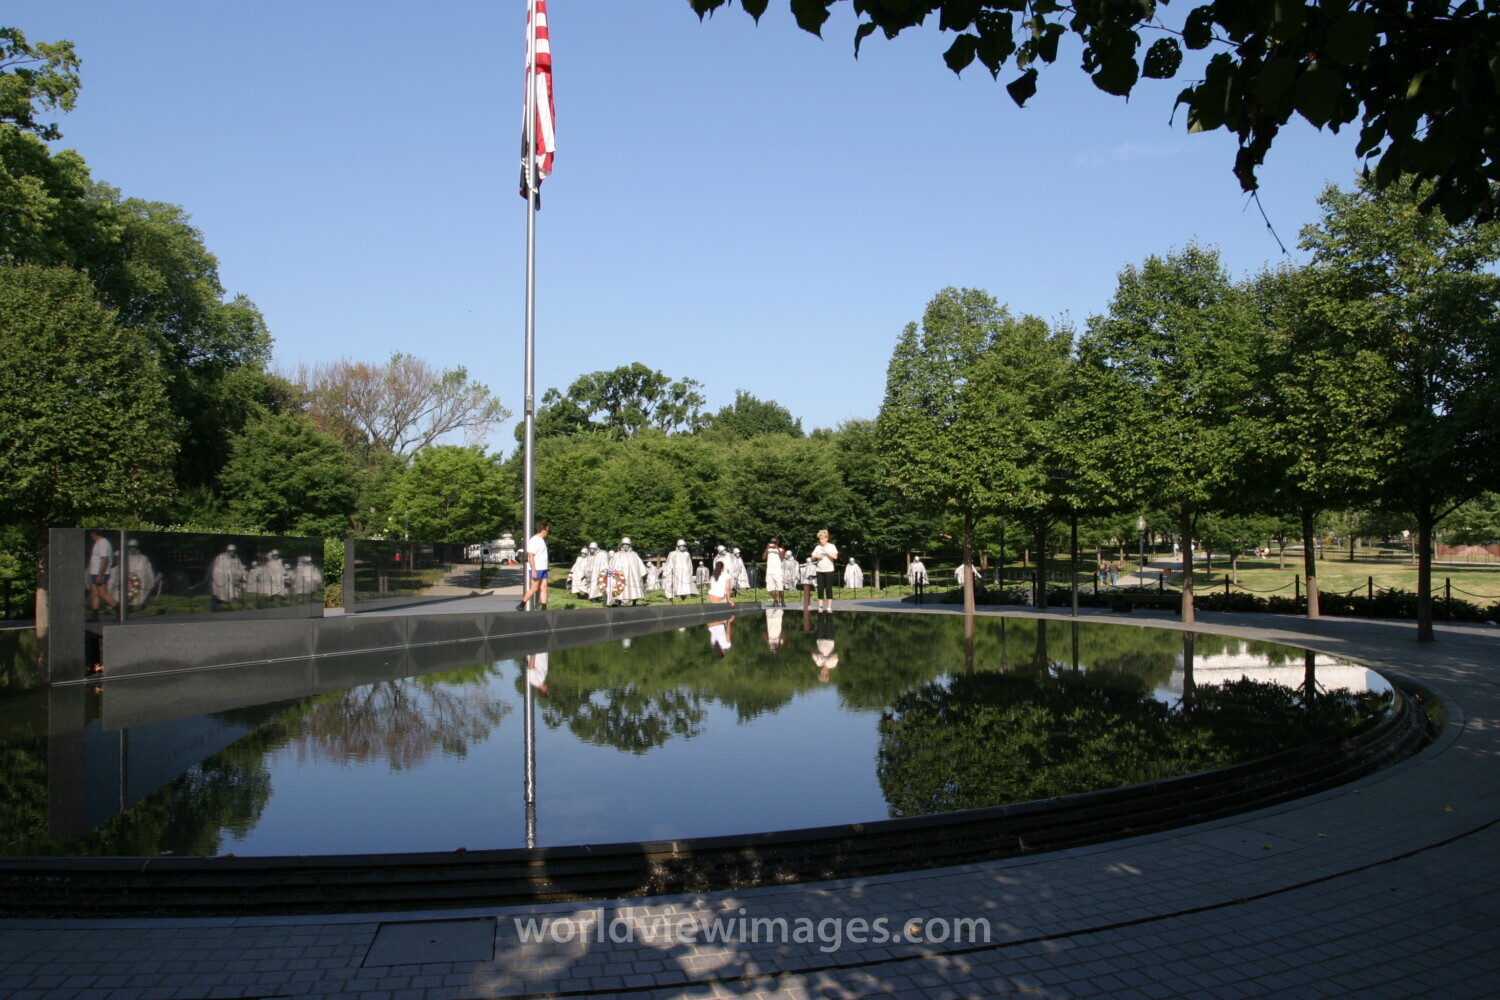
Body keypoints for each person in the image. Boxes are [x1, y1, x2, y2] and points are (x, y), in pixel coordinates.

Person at [517, 522, 550, 611]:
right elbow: (530, 555)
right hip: (537, 568)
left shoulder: (541, 540)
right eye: (547, 530)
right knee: (534, 588)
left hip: (543, 568)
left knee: (544, 587)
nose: (548, 532)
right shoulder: (534, 540)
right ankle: (522, 604)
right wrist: (533, 570)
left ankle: (544, 608)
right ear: (543, 530)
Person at [87, 530, 118, 618]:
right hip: (95, 572)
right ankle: (95, 615)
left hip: (100, 573)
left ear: (93, 533)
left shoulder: (103, 543)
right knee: (95, 592)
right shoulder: (98, 543)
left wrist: (100, 575)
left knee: (102, 593)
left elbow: (105, 559)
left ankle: (118, 609)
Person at [610, 537, 647, 605]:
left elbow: (639, 566)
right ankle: (619, 602)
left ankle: (634, 601)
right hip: (621, 576)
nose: (625, 546)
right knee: (620, 588)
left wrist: (641, 574)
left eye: (627, 544)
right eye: (624, 544)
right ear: (622, 545)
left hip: (632, 577)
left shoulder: (634, 554)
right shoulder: (617, 555)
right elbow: (612, 566)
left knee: (634, 588)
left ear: (629, 545)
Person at [811, 529, 838, 613]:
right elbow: (812, 557)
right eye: (819, 539)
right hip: (819, 570)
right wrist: (816, 556)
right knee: (820, 588)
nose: (820, 540)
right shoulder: (818, 547)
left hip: (829, 570)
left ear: (826, 538)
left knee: (828, 588)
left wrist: (827, 552)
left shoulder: (831, 546)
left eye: (822, 538)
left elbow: (835, 557)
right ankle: (820, 606)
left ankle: (829, 607)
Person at [762, 538, 786, 607]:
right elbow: (763, 558)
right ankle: (775, 601)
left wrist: (777, 548)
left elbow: (782, 558)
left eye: (774, 543)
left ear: (777, 543)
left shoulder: (781, 549)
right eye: (772, 542)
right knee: (771, 587)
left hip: (778, 571)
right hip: (769, 571)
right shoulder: (768, 550)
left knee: (780, 587)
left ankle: (782, 601)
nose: (773, 544)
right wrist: (767, 549)